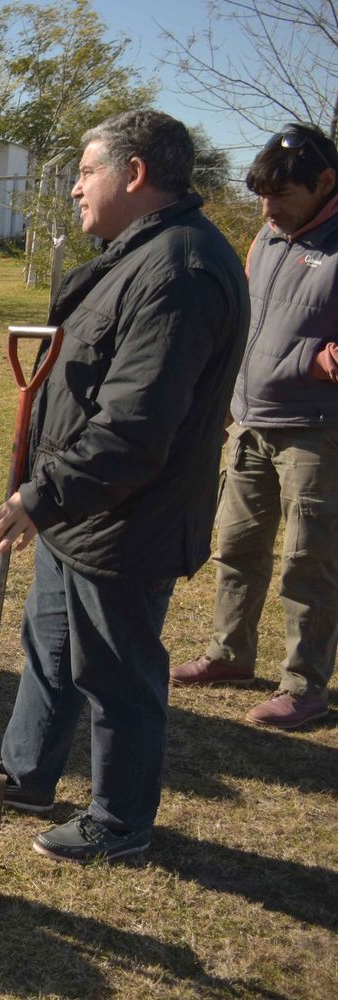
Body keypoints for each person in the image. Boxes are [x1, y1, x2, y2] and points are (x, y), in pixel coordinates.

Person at [0, 110, 250, 863]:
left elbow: (136, 429)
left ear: (134, 174)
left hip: (126, 518)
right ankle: (25, 773)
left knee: (117, 674)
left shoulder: (178, 271)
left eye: (86, 169)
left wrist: (42, 497)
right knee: (49, 647)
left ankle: (119, 821)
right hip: (82, 510)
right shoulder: (135, 255)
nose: (75, 186)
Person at [171, 124, 338, 730]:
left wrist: (317, 361)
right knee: (236, 547)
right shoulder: (267, 239)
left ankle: (305, 685)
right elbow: (246, 321)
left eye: (282, 195)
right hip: (251, 421)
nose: (268, 209)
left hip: (317, 430)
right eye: (262, 196)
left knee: (309, 559)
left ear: (325, 183)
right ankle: (230, 653)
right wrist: (221, 400)